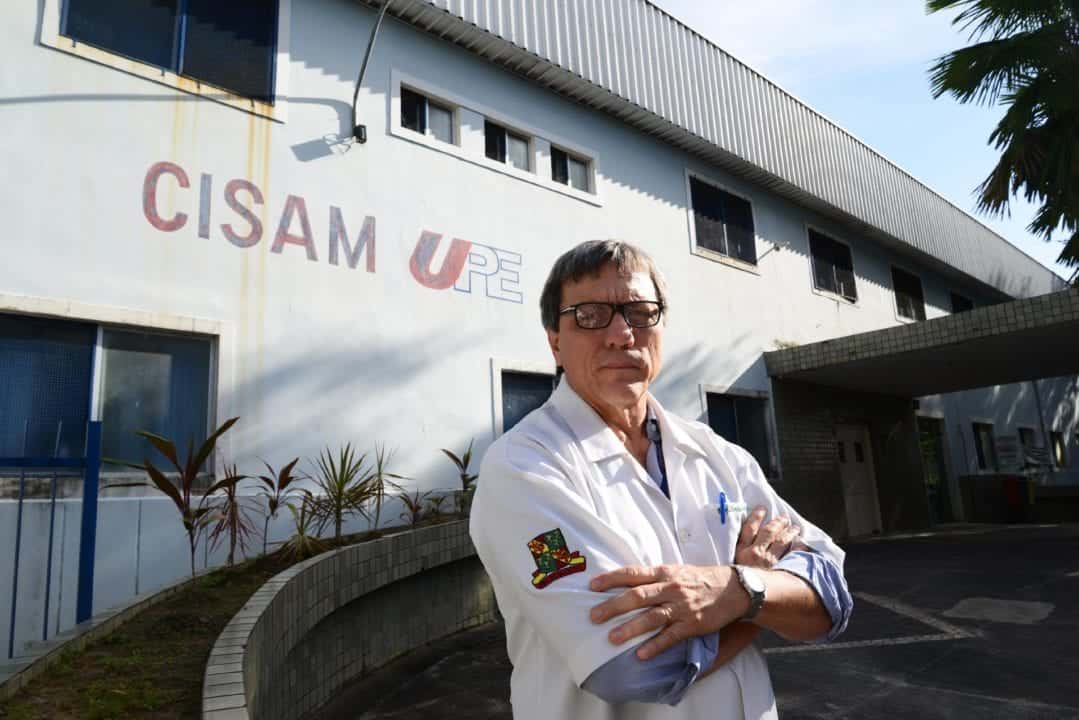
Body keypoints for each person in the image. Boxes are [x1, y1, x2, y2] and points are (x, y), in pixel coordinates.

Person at [469, 240, 852, 719]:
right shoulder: (523, 469)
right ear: (555, 342)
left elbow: (830, 597)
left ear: (661, 326)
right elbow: (630, 665)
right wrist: (760, 595)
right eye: (590, 315)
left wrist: (739, 589)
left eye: (640, 312)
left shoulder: (718, 454)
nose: (621, 334)